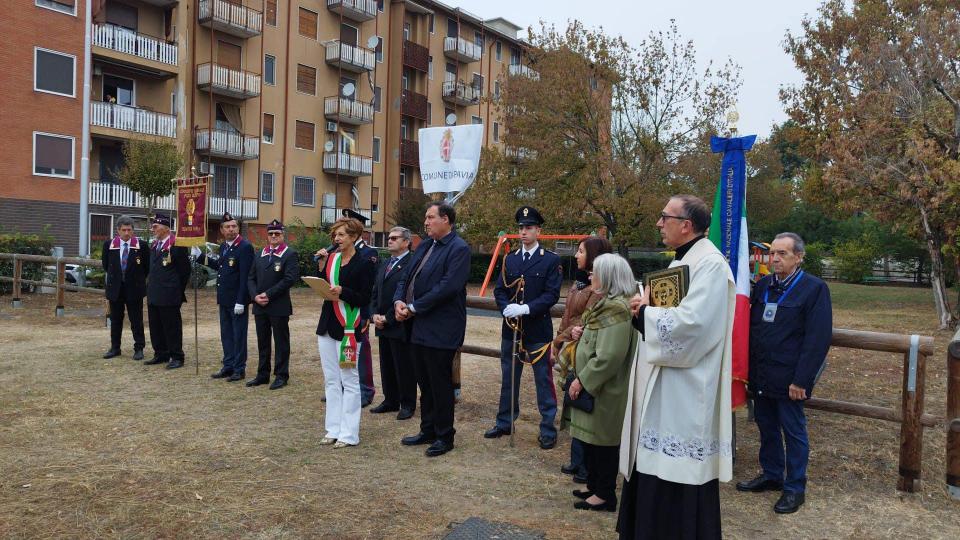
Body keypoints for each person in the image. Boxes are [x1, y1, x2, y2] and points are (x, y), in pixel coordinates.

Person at [618, 195, 734, 539]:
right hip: (662, 384)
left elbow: (693, 326)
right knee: (651, 467)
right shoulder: (680, 262)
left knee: (677, 472)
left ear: (686, 225)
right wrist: (646, 306)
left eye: (664, 217)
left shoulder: (710, 265)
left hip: (686, 389)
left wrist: (645, 315)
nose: (658, 223)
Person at [736, 232, 832, 514]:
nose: (775, 259)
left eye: (783, 254)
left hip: (790, 378)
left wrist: (802, 379)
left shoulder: (814, 289)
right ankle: (772, 474)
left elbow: (817, 339)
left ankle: (794, 488)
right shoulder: (764, 285)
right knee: (766, 426)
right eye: (772, 253)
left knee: (794, 432)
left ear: (799, 257)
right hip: (763, 373)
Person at [394, 202, 471, 458]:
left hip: (442, 328)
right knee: (424, 381)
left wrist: (414, 307)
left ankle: (444, 435)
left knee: (439, 383)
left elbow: (447, 288)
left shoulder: (458, 249)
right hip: (418, 326)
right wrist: (399, 301)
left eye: (430, 217)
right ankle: (427, 429)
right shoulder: (426, 245)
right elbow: (406, 276)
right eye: (426, 217)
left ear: (446, 219)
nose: (426, 222)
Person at [486, 206, 562, 449]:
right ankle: (505, 421)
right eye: (520, 228)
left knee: (543, 380)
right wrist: (506, 307)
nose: (524, 232)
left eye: (528, 227)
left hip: (537, 329)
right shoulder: (511, 258)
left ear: (538, 230)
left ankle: (548, 428)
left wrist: (526, 308)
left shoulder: (550, 260)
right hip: (511, 329)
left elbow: (551, 295)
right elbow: (500, 289)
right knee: (509, 378)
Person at [567, 253, 639, 512]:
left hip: (605, 388)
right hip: (596, 386)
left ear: (608, 277)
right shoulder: (607, 303)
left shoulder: (618, 308)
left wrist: (583, 381)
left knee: (603, 442)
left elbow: (609, 356)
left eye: (595, 272)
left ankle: (605, 494)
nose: (590, 276)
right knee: (591, 439)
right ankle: (594, 485)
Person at [553, 236, 613, 483]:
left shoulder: (597, 289)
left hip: (583, 352)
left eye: (580, 251)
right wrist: (558, 339)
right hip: (570, 348)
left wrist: (564, 336)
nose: (576, 255)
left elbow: (584, 323)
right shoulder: (578, 283)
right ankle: (578, 460)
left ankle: (586, 465)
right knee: (573, 403)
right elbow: (568, 317)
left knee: (584, 405)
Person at [314, 217, 377, 448]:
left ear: (353, 237)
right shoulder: (331, 258)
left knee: (349, 380)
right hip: (327, 324)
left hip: (349, 327)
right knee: (331, 380)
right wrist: (320, 268)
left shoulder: (365, 262)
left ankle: (349, 433)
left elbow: (363, 297)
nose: (336, 239)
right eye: (335, 235)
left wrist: (343, 291)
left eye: (341, 235)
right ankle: (332, 429)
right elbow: (324, 286)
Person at [196, 212, 254, 382]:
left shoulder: (244, 247)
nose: (231, 229)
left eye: (234, 226)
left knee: (238, 335)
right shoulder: (224, 247)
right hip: (224, 299)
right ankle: (228, 365)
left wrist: (242, 301)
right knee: (226, 334)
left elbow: (245, 277)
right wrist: (200, 257)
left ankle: (239, 368)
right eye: (227, 227)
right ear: (221, 230)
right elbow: (220, 266)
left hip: (237, 300)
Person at [369, 226, 417, 420]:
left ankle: (407, 404)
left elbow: (406, 293)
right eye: (389, 238)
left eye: (395, 238)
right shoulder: (385, 263)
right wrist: (373, 315)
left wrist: (388, 317)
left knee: (403, 365)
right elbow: (375, 292)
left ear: (406, 242)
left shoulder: (412, 263)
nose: (389, 241)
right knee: (386, 363)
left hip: (400, 323)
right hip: (382, 322)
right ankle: (390, 400)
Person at [247, 219, 299, 390]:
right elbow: (251, 278)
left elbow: (289, 279)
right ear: (267, 236)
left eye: (277, 233)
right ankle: (262, 374)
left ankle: (281, 375)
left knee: (281, 342)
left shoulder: (289, 254)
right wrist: (255, 296)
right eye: (271, 234)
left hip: (279, 305)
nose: (274, 236)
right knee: (263, 342)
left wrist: (268, 294)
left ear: (283, 235)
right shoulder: (259, 253)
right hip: (260, 306)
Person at [144, 213, 190, 370]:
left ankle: (177, 356)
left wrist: (176, 290)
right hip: (154, 292)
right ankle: (160, 353)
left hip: (170, 294)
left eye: (155, 226)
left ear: (165, 227)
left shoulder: (176, 244)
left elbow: (185, 271)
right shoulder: (155, 245)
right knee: (155, 326)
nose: (153, 229)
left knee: (172, 327)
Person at [344, 208, 380, 408]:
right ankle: (346, 386)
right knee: (344, 347)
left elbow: (371, 287)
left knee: (361, 349)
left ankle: (365, 389)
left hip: (360, 309)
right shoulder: (338, 251)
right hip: (341, 309)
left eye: (347, 226)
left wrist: (367, 313)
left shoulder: (368, 253)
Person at [101, 215, 149, 361]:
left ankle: (139, 348)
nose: (127, 233)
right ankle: (115, 347)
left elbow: (146, 268)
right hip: (116, 288)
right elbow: (106, 265)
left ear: (133, 230)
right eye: (124, 230)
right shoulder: (109, 245)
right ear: (118, 230)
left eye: (129, 230)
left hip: (134, 288)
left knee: (136, 320)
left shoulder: (141, 246)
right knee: (116, 319)